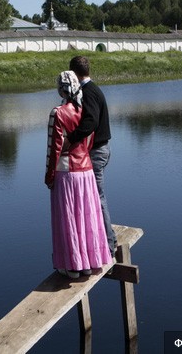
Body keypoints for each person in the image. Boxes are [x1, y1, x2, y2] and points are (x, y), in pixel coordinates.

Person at [45, 70, 112, 278]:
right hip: (86, 170)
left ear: (61, 89)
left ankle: (71, 266)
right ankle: (89, 262)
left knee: (68, 219)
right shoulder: (84, 111)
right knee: (86, 217)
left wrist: (49, 177)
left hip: (66, 172)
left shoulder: (58, 113)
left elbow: (54, 149)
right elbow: (89, 141)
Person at [64, 55, 117, 257]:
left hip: (97, 152)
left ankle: (109, 244)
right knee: (96, 195)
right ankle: (105, 239)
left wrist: (71, 139)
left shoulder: (88, 92)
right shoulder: (93, 89)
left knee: (97, 196)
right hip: (101, 149)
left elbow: (91, 122)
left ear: (74, 74)